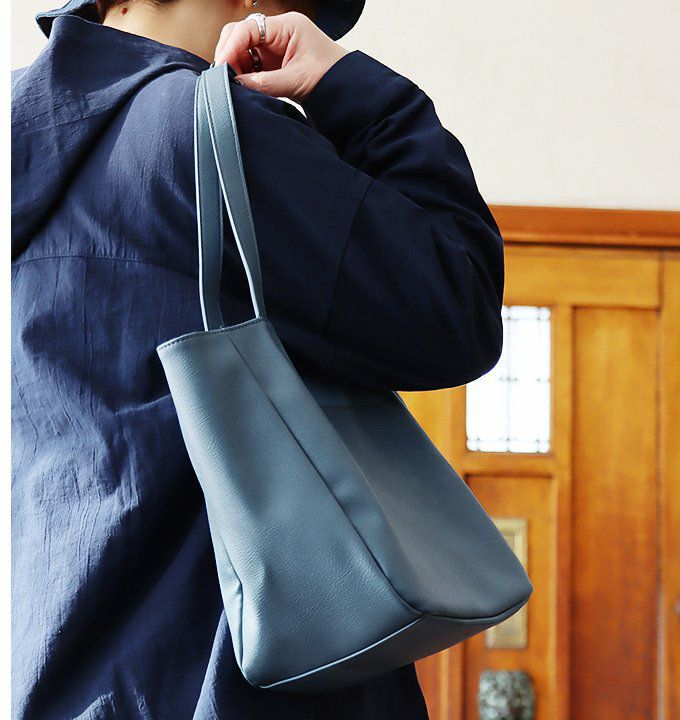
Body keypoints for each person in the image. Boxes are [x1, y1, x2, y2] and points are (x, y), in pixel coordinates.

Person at [11, 0, 505, 717]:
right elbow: (454, 305)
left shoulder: (24, 152)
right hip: (239, 683)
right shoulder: (209, 137)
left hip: (54, 673)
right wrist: (353, 90)